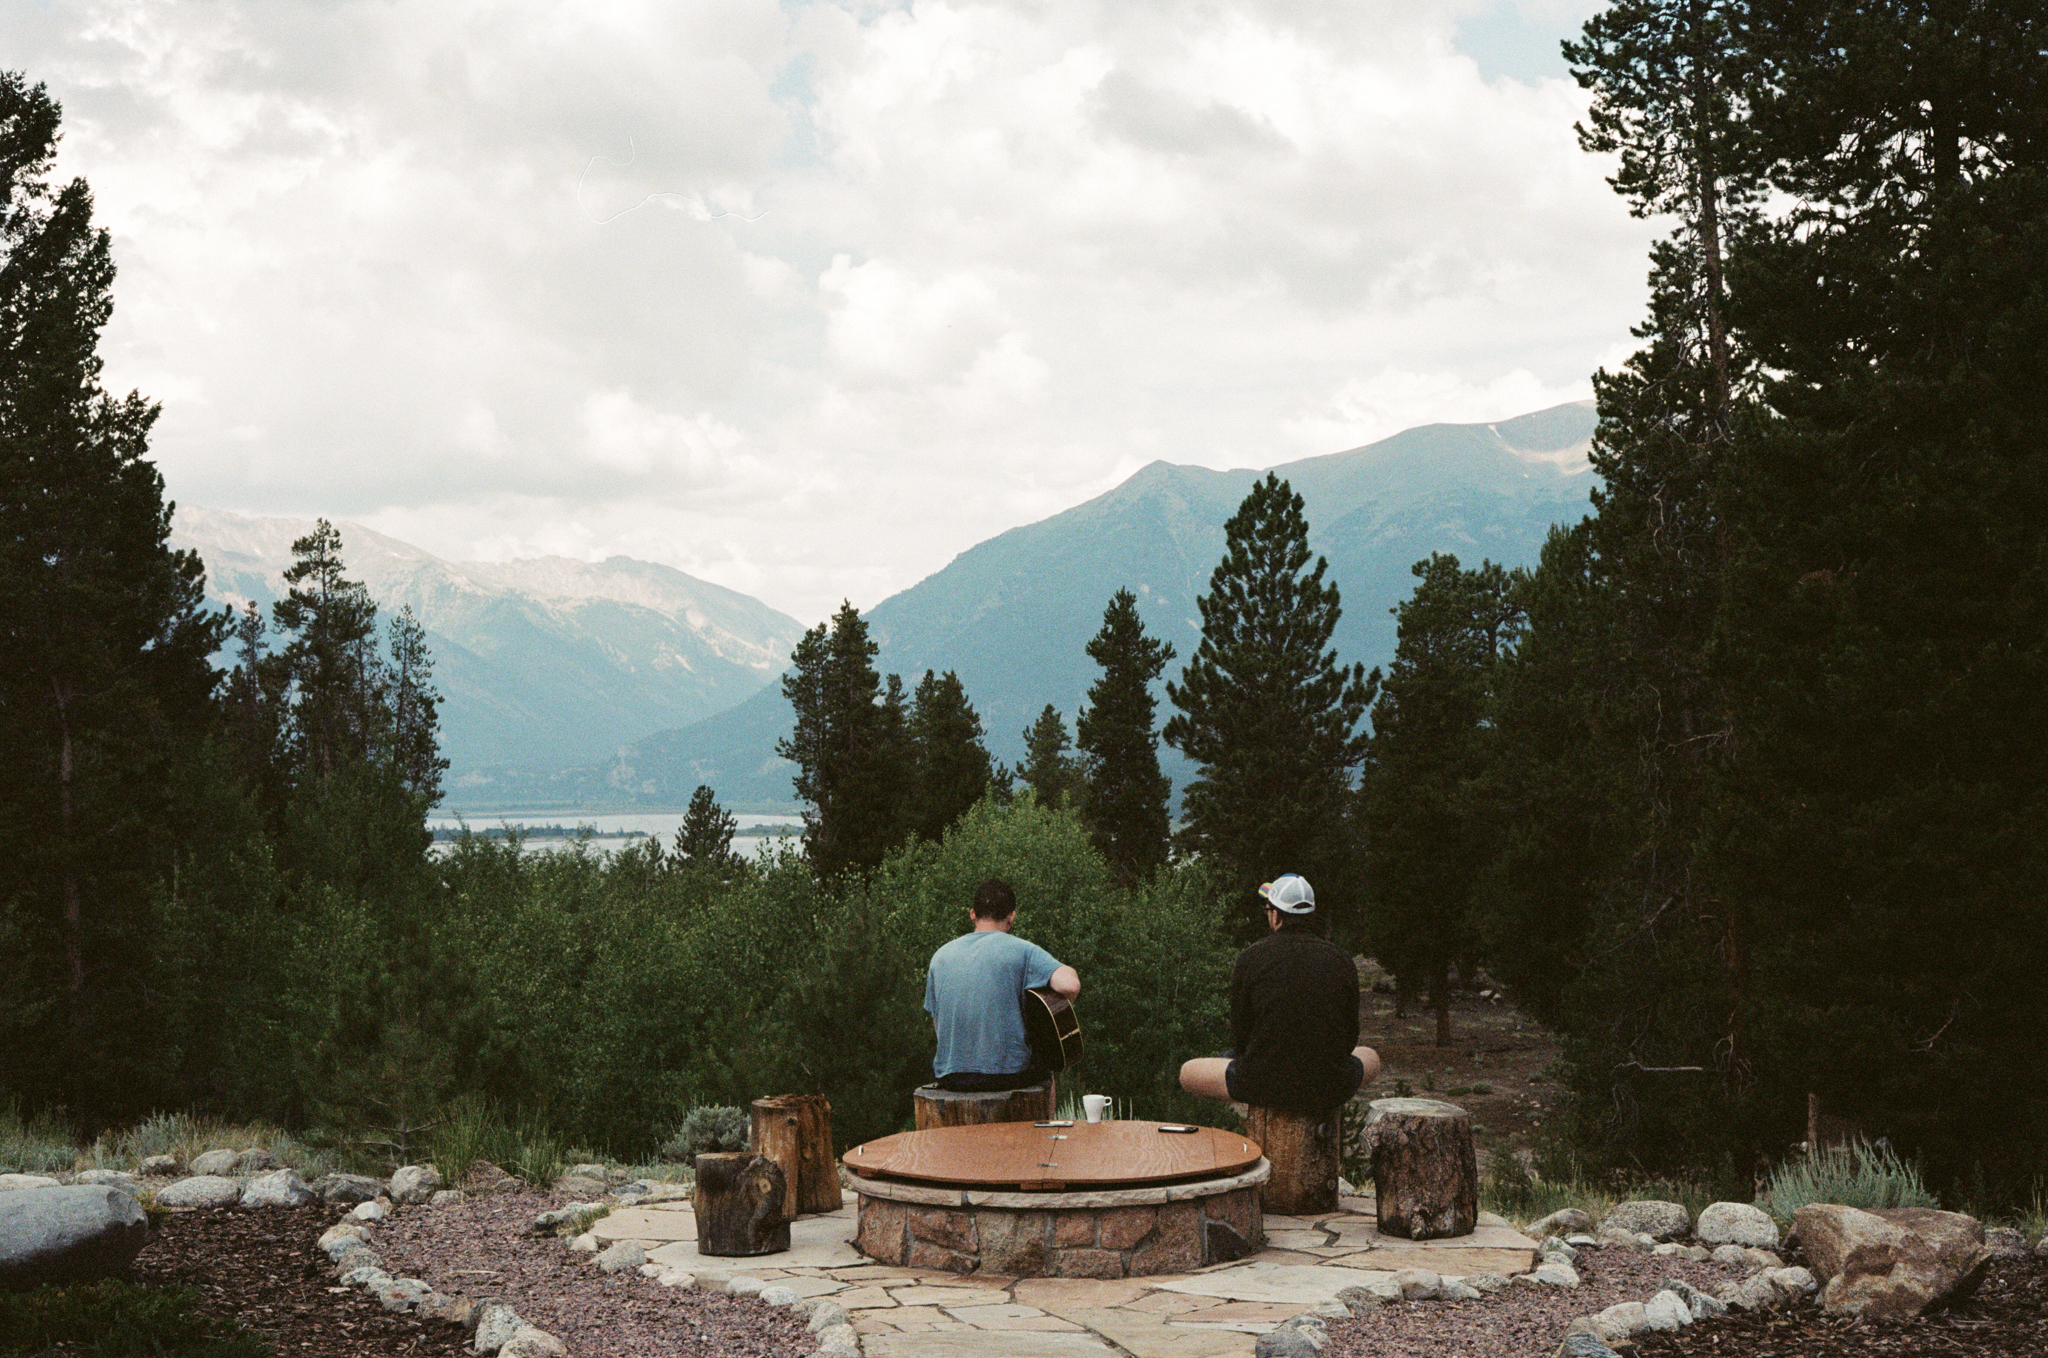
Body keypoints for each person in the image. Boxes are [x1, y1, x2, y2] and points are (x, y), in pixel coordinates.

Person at [1179, 873, 1380, 1111]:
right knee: (1370, 1056)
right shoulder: (1341, 959)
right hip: (1329, 1087)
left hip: (1265, 1087)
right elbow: (1349, 1038)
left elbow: (1240, 1037)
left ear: (1275, 915)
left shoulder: (1252, 957)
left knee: (1188, 1072)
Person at [925, 879, 1081, 1091]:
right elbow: (1070, 985)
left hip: (951, 1077)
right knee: (1047, 1070)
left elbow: (938, 1022)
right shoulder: (1023, 950)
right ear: (1011, 917)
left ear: (972, 914)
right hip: (1006, 1075)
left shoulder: (939, 956)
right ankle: (1046, 1124)